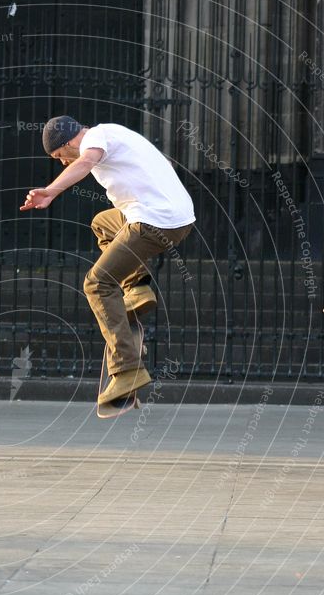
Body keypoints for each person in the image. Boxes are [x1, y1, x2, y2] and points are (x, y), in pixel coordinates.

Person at [20, 116, 195, 405]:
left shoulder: (93, 140)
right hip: (176, 217)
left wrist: (51, 191)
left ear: (66, 143)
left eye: (59, 156)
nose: (62, 162)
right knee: (104, 223)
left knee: (97, 283)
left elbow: (85, 161)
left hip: (154, 221)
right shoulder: (116, 131)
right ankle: (136, 288)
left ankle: (126, 370)